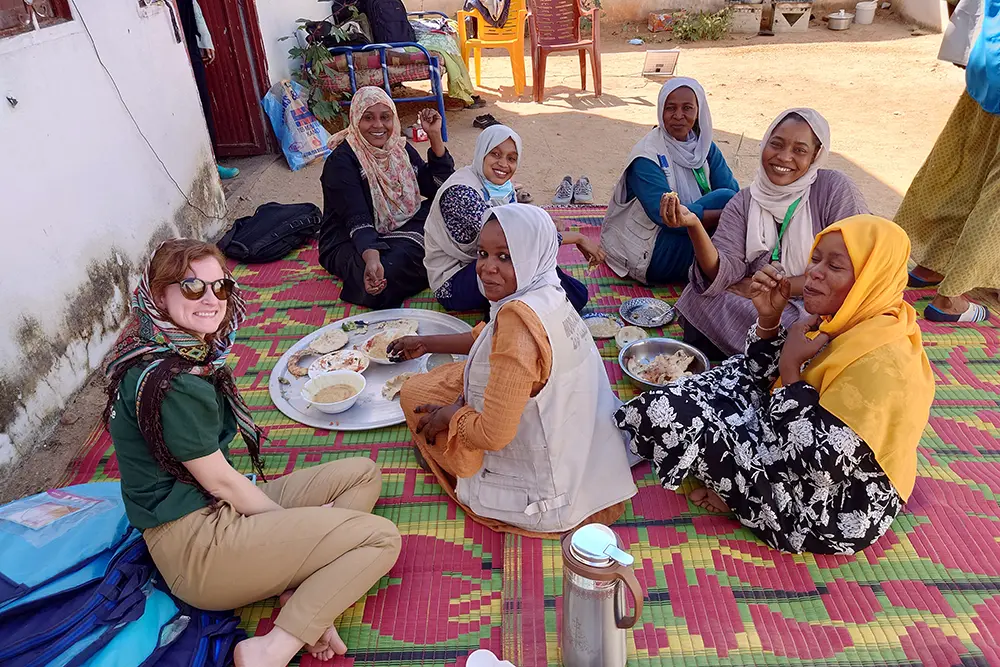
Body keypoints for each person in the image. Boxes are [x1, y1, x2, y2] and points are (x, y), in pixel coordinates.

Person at [104, 239, 401, 667]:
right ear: (158, 293)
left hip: (213, 510)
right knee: (379, 538)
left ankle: (301, 588)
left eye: (219, 287)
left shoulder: (156, 347)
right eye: (191, 288)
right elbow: (222, 480)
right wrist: (303, 526)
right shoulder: (174, 380)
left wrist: (309, 531)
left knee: (363, 474)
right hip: (197, 547)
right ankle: (272, 649)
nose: (210, 299)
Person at [615, 215, 935, 555]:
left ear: (872, 278)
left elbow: (818, 467)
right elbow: (759, 373)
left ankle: (740, 500)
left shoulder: (883, 363)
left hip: (827, 506)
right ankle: (733, 483)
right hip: (801, 435)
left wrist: (792, 368)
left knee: (670, 415)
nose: (814, 272)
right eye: (816, 258)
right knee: (730, 374)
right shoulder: (849, 317)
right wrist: (769, 320)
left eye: (835, 266)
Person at [393, 204, 637, 536]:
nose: (486, 268)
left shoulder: (518, 324)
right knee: (440, 380)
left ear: (530, 255)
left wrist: (451, 417)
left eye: (504, 257)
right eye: (482, 253)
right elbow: (487, 341)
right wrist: (426, 343)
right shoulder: (547, 289)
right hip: (582, 444)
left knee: (413, 394)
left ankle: (442, 461)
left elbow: (493, 435)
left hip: (546, 484)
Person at [673, 108, 869, 359]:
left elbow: (850, 265)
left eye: (799, 150)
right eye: (776, 145)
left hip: (818, 302)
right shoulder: (745, 201)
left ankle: (765, 359)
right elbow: (722, 270)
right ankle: (760, 359)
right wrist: (694, 226)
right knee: (698, 295)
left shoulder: (834, 190)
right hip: (760, 300)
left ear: (816, 155)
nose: (784, 157)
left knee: (815, 333)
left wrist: (776, 288)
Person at [423, 124, 599, 313]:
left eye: (511, 158)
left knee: (556, 282)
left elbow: (516, 222)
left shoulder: (499, 186)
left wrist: (544, 222)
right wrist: (579, 238)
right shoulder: (461, 192)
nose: (503, 164)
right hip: (453, 284)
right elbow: (516, 239)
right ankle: (502, 322)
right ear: (482, 152)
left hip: (483, 265)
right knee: (528, 261)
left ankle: (523, 308)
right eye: (495, 155)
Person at [894, 0, 996, 323]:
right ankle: (951, 298)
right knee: (995, 197)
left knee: (965, 166)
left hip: (990, 61)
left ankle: (930, 263)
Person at [318, 86, 455, 309]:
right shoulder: (341, 162)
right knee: (386, 270)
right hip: (352, 240)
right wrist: (372, 259)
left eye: (385, 117)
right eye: (368, 118)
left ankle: (433, 258)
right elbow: (356, 218)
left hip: (402, 226)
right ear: (355, 120)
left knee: (450, 207)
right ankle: (437, 261)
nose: (379, 126)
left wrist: (435, 136)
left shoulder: (398, 149)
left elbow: (436, 188)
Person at [601, 78, 740, 284]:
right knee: (731, 248)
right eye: (671, 108)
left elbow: (735, 198)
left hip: (689, 228)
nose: (678, 116)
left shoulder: (704, 147)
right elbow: (668, 219)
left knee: (729, 204)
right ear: (660, 111)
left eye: (687, 108)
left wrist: (730, 218)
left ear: (699, 111)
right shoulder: (646, 157)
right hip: (650, 249)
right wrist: (725, 218)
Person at [178, 0, 239, 180]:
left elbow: (192, 5)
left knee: (202, 107)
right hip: (163, 50)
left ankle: (212, 164)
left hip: (190, 44)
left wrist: (204, 39)